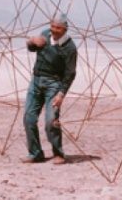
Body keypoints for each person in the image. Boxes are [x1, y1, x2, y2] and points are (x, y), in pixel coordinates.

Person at [22, 12, 77, 165]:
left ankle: (58, 153)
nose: (53, 30)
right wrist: (32, 41)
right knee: (29, 118)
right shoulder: (45, 34)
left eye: (58, 28)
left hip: (54, 84)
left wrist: (61, 94)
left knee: (51, 121)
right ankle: (35, 153)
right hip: (36, 81)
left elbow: (70, 74)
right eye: (52, 26)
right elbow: (32, 48)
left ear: (65, 29)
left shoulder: (70, 48)